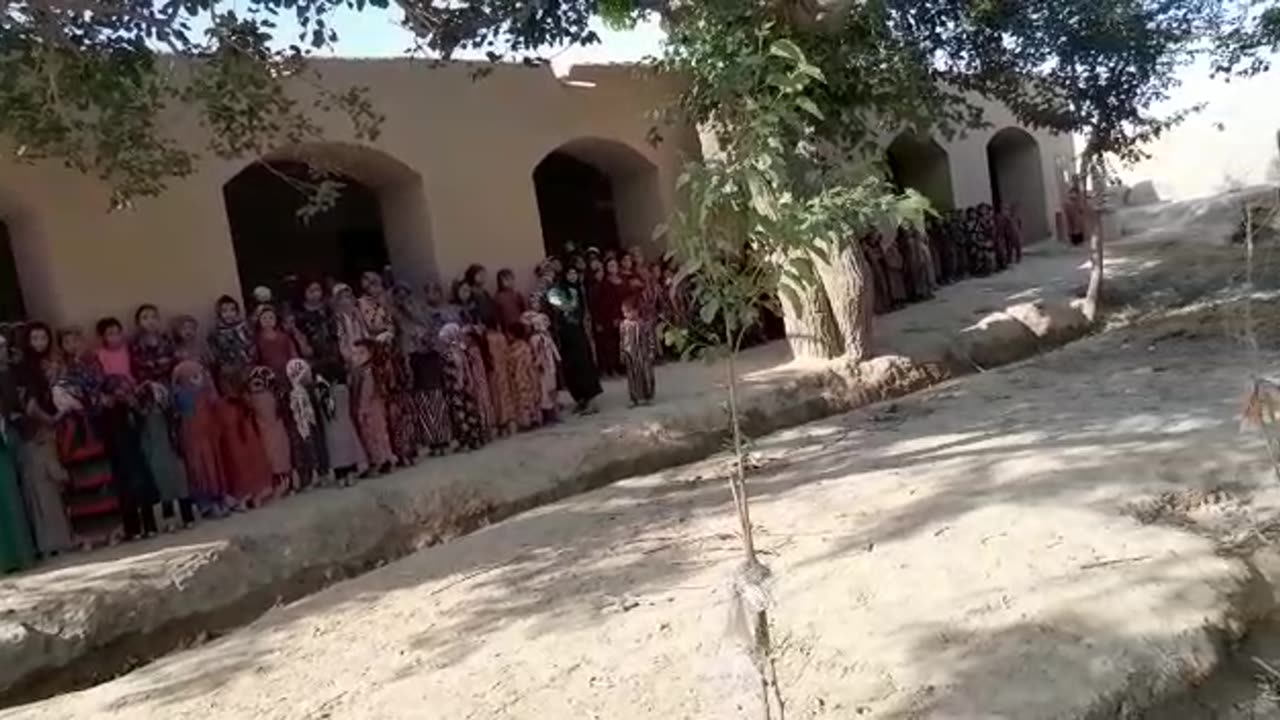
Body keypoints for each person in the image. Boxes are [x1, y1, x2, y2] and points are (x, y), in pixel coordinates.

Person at [15, 323, 73, 557]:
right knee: (43, 486)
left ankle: (61, 538)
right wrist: (50, 419)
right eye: (35, 338)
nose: (40, 342)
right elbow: (29, 405)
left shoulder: (52, 364)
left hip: (54, 429)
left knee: (55, 483)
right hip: (36, 432)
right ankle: (52, 543)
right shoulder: (24, 368)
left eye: (43, 337)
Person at [99, 376, 159, 540]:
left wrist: (133, 406)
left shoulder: (128, 406)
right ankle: (133, 529)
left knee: (142, 490)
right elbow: (101, 432)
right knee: (125, 493)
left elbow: (140, 423)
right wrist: (105, 408)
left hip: (133, 452)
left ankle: (150, 526)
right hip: (117, 456)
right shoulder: (105, 411)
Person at [172, 360, 229, 518]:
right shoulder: (181, 395)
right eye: (192, 376)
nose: (197, 379)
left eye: (198, 374)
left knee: (214, 466)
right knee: (199, 471)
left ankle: (219, 498)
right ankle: (206, 504)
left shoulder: (206, 392)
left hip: (208, 435)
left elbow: (214, 403)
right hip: (193, 439)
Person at [136, 381, 194, 530]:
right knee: (165, 489)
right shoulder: (144, 417)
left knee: (180, 486)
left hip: (172, 453)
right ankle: (170, 520)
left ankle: (187, 518)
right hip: (157, 456)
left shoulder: (170, 416)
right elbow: (145, 440)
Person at [546, 267, 602, 415]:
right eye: (569, 273)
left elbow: (581, 311)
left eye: (574, 273)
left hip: (579, 334)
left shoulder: (579, 290)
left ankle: (592, 400)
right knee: (571, 368)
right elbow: (560, 305)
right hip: (565, 335)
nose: (573, 276)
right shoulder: (556, 291)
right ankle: (580, 399)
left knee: (584, 365)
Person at [349, 339, 395, 475]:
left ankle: (380, 461)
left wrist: (361, 410)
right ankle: (385, 459)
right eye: (355, 353)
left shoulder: (368, 372)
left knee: (373, 436)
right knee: (379, 434)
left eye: (361, 353)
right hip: (377, 407)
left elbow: (366, 393)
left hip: (370, 408)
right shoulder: (368, 370)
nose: (357, 357)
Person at [246, 366, 293, 494]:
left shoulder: (253, 399)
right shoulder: (275, 396)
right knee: (281, 455)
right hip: (278, 433)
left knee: (271, 457)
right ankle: (286, 481)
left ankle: (279, 482)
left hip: (265, 435)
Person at [438, 324, 485, 451]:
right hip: (465, 385)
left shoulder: (449, 353)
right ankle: (475, 439)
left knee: (460, 416)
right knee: (469, 412)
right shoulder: (462, 349)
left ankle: (465, 441)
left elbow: (450, 372)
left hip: (456, 388)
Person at [284, 359, 329, 490]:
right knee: (312, 448)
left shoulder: (305, 390)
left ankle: (320, 474)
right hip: (305, 424)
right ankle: (319, 474)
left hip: (308, 423)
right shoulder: (297, 391)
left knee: (315, 447)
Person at [207, 295, 254, 390]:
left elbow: (252, 343)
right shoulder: (215, 332)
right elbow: (214, 352)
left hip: (246, 366)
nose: (229, 314)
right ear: (219, 313)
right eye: (224, 311)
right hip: (228, 369)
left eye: (232, 310)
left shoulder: (244, 327)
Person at [619, 297, 657, 407]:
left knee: (645, 374)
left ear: (636, 311)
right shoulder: (623, 325)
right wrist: (622, 352)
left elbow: (650, 338)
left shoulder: (643, 324)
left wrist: (651, 351)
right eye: (624, 312)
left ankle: (646, 396)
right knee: (632, 376)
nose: (626, 315)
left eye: (628, 312)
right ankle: (634, 398)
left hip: (642, 353)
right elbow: (622, 340)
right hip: (629, 353)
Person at [506, 321, 542, 430]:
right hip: (528, 375)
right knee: (530, 397)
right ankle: (534, 418)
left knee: (522, 399)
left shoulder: (513, 349)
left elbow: (510, 365)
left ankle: (526, 421)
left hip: (519, 377)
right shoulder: (526, 346)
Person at [129, 304, 177, 384]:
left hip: (166, 378)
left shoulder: (165, 337)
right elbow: (136, 364)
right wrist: (156, 363)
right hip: (146, 380)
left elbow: (172, 356)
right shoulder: (136, 341)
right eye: (145, 318)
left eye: (154, 317)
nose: (150, 321)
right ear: (138, 322)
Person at [253, 305, 298, 380]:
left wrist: (294, 367)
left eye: (271, 318)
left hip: (287, 371)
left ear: (276, 320)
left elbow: (293, 353)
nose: (268, 321)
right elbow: (255, 358)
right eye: (264, 318)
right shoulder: (257, 339)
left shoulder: (284, 337)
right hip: (268, 374)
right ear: (259, 321)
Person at [95, 317, 134, 382]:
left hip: (130, 383)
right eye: (111, 334)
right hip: (112, 384)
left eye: (118, 333)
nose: (116, 337)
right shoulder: (100, 354)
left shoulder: (126, 348)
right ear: (102, 337)